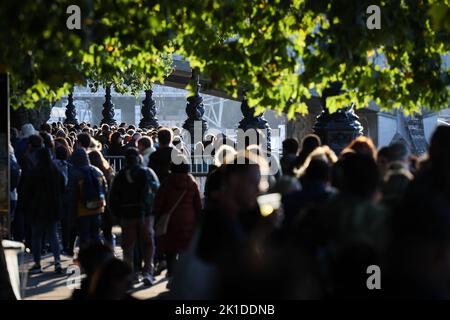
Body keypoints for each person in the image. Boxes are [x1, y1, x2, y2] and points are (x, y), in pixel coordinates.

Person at [109, 148, 160, 286]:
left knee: (128, 247)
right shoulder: (147, 172)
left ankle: (130, 274)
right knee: (148, 244)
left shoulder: (120, 176)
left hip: (127, 214)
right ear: (139, 158)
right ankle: (148, 271)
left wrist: (118, 215)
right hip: (146, 214)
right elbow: (156, 191)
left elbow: (113, 197)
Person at [154, 154, 202, 278]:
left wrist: (157, 218)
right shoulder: (191, 183)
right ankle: (182, 275)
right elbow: (197, 204)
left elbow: (159, 203)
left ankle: (171, 273)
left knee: (170, 249)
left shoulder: (167, 183)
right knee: (184, 249)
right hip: (188, 220)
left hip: (170, 221)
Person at [23, 148, 65, 274]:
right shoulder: (55, 171)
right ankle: (57, 261)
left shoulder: (34, 172)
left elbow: (27, 191)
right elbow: (63, 187)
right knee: (53, 235)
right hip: (53, 207)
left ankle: (37, 263)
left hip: (37, 208)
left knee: (37, 236)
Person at [67, 148, 107, 248]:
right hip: (98, 208)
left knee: (84, 237)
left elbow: (72, 195)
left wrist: (71, 213)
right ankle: (99, 258)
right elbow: (104, 188)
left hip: (82, 210)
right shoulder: (97, 171)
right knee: (96, 235)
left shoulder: (75, 173)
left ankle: (87, 260)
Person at [89, 150, 115, 247]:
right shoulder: (108, 172)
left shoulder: (90, 173)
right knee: (107, 231)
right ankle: (110, 250)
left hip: (92, 205)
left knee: (93, 232)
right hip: (106, 204)